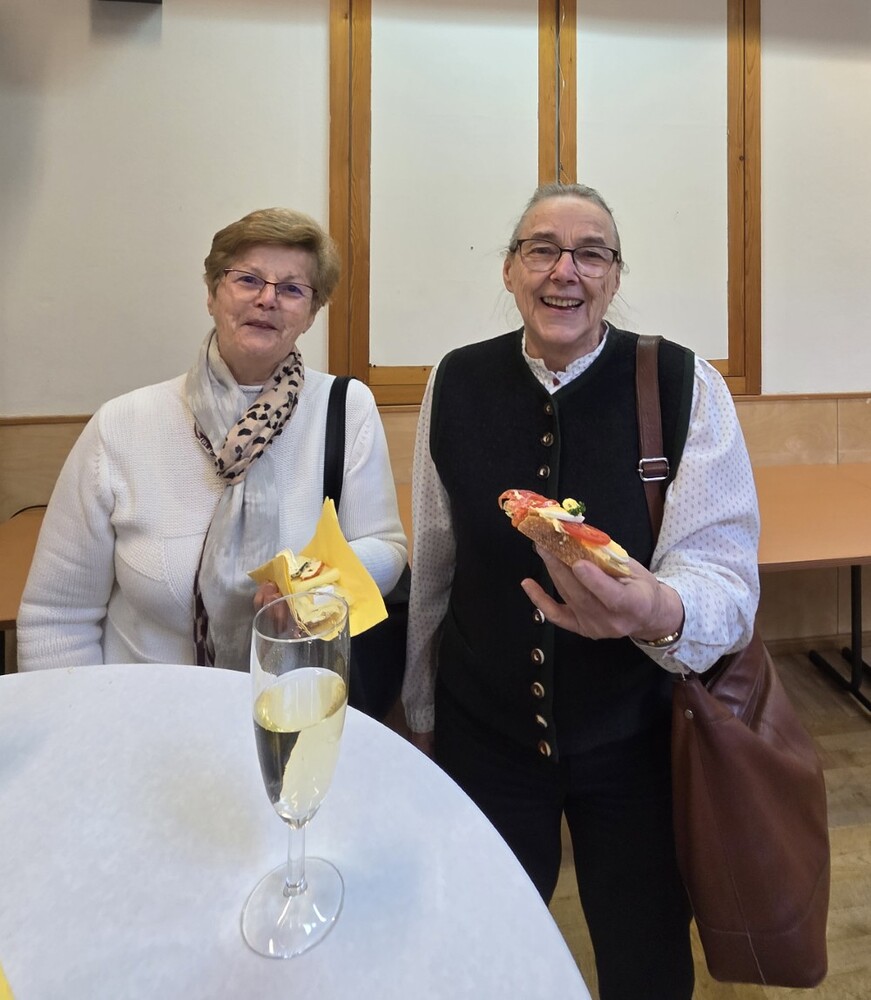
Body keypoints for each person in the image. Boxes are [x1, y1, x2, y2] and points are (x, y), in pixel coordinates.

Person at [402, 182, 760, 1000]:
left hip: (634, 740)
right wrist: (419, 711)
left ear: (614, 275)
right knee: (482, 954)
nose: (565, 270)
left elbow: (725, 578)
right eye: (542, 249)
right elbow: (435, 559)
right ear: (508, 270)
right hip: (483, 732)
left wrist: (657, 610)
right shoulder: (455, 380)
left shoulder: (683, 383)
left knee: (646, 961)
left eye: (590, 254)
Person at [18, 207, 407, 672]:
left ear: (311, 314)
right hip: (146, 704)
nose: (267, 299)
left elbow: (386, 548)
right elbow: (57, 618)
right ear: (212, 294)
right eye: (248, 280)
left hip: (293, 696)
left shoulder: (346, 407)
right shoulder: (121, 426)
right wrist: (85, 715)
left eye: (291, 289)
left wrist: (310, 586)